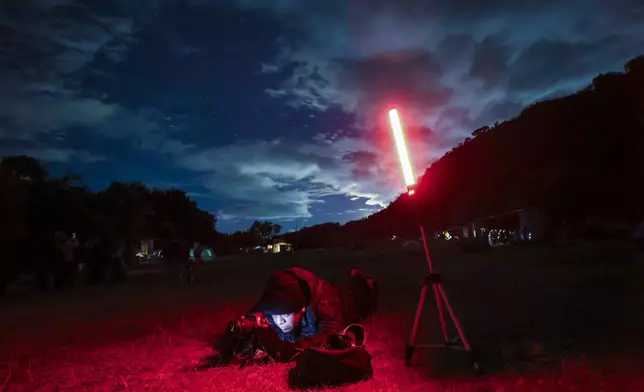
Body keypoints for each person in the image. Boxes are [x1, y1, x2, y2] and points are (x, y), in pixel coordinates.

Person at [214, 267, 377, 364]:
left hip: (335, 299)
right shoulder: (324, 300)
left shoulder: (329, 305)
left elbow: (321, 342)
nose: (280, 321)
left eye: (285, 313)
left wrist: (280, 346)